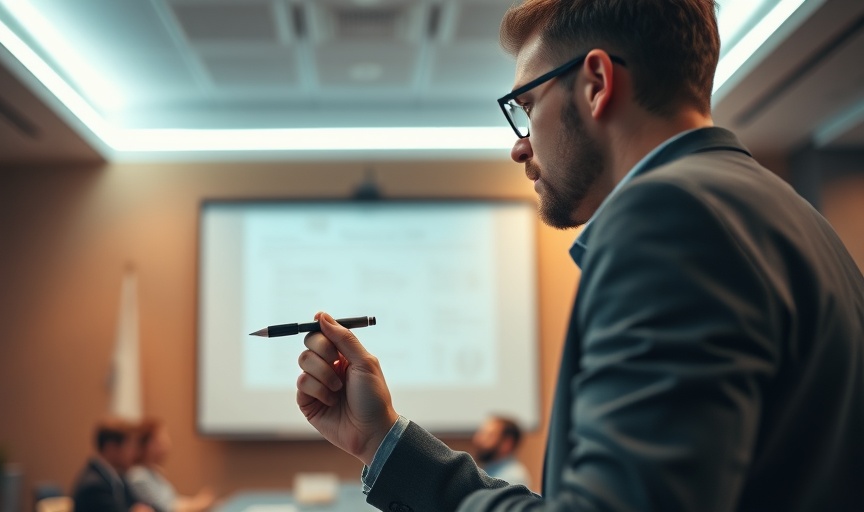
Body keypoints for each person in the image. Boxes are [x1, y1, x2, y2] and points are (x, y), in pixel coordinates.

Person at [294, 0, 864, 510]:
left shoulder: (670, 218)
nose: (519, 146)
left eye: (525, 106)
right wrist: (379, 439)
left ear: (595, 82)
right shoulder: (791, 217)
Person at [126, 418, 214, 512]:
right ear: (148, 445)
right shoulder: (139, 476)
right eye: (161, 440)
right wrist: (200, 503)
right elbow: (170, 508)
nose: (167, 445)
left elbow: (174, 500)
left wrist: (198, 502)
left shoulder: (152, 472)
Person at [71, 418, 154, 512]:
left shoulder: (116, 477)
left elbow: (139, 504)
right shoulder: (94, 487)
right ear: (111, 448)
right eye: (129, 446)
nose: (134, 453)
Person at [471, 415, 531, 489]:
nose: (478, 440)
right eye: (480, 434)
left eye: (489, 436)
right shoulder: (487, 470)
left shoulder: (512, 478)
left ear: (507, 443)